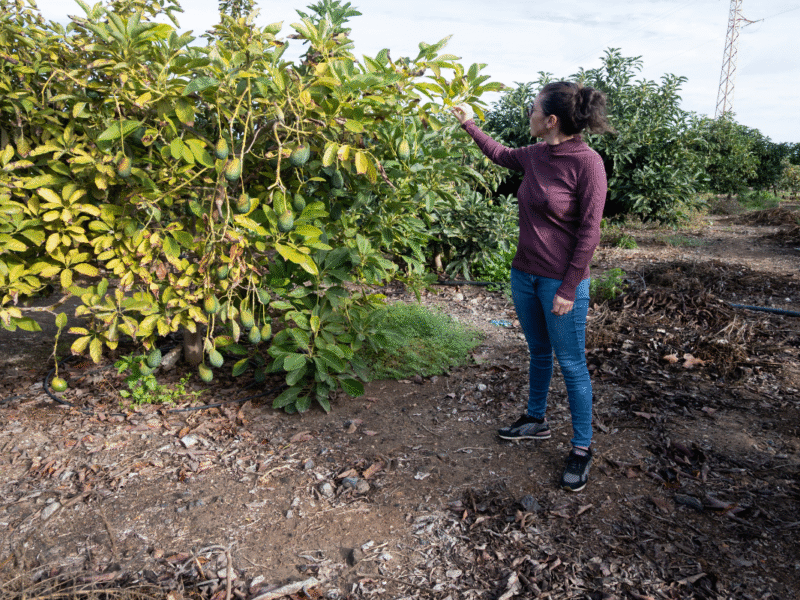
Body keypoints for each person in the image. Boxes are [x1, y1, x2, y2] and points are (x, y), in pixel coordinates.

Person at [452, 81, 612, 492]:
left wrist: (569, 287)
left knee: (572, 363)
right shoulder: (536, 154)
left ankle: (581, 447)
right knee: (539, 352)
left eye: (533, 109)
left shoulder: (587, 163)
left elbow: (589, 233)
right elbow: (501, 154)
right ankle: (535, 419)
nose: (529, 115)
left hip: (560, 282)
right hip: (524, 275)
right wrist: (469, 124)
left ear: (551, 119)